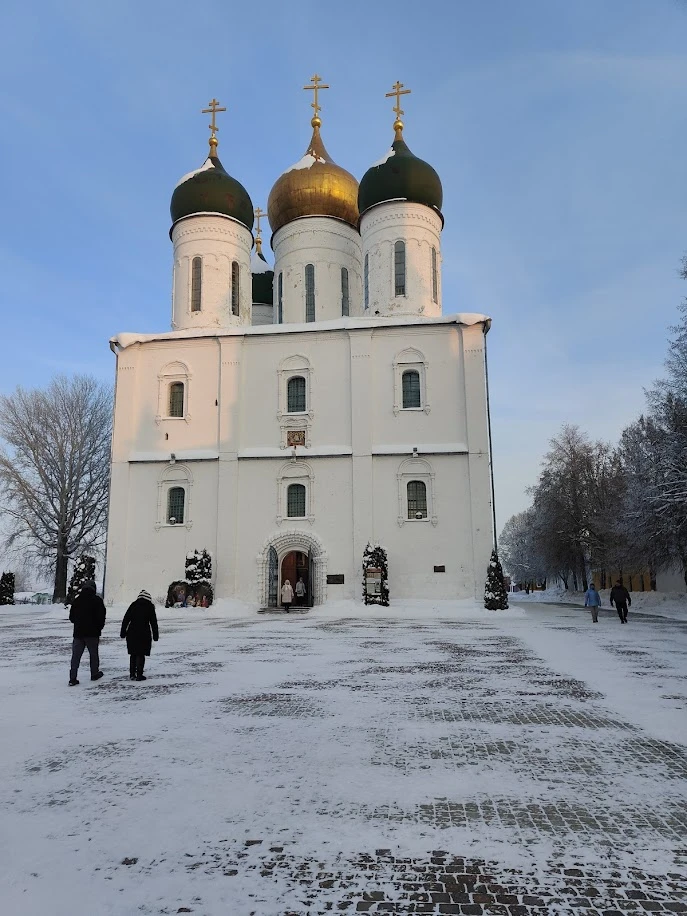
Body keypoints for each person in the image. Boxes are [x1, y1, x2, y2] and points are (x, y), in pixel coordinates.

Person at [68, 580, 106, 686]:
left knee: (76, 656)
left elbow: (71, 617)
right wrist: (99, 628)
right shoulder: (97, 600)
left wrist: (78, 623)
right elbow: (101, 617)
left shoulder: (77, 600)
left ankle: (72, 678)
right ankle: (94, 673)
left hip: (78, 633)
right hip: (92, 633)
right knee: (93, 654)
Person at [120, 589, 159, 681]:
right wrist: (155, 635)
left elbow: (126, 619)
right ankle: (139, 674)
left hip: (132, 632)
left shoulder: (133, 605)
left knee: (133, 654)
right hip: (144, 633)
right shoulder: (149, 606)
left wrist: (123, 632)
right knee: (141, 654)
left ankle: (132, 674)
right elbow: (153, 622)